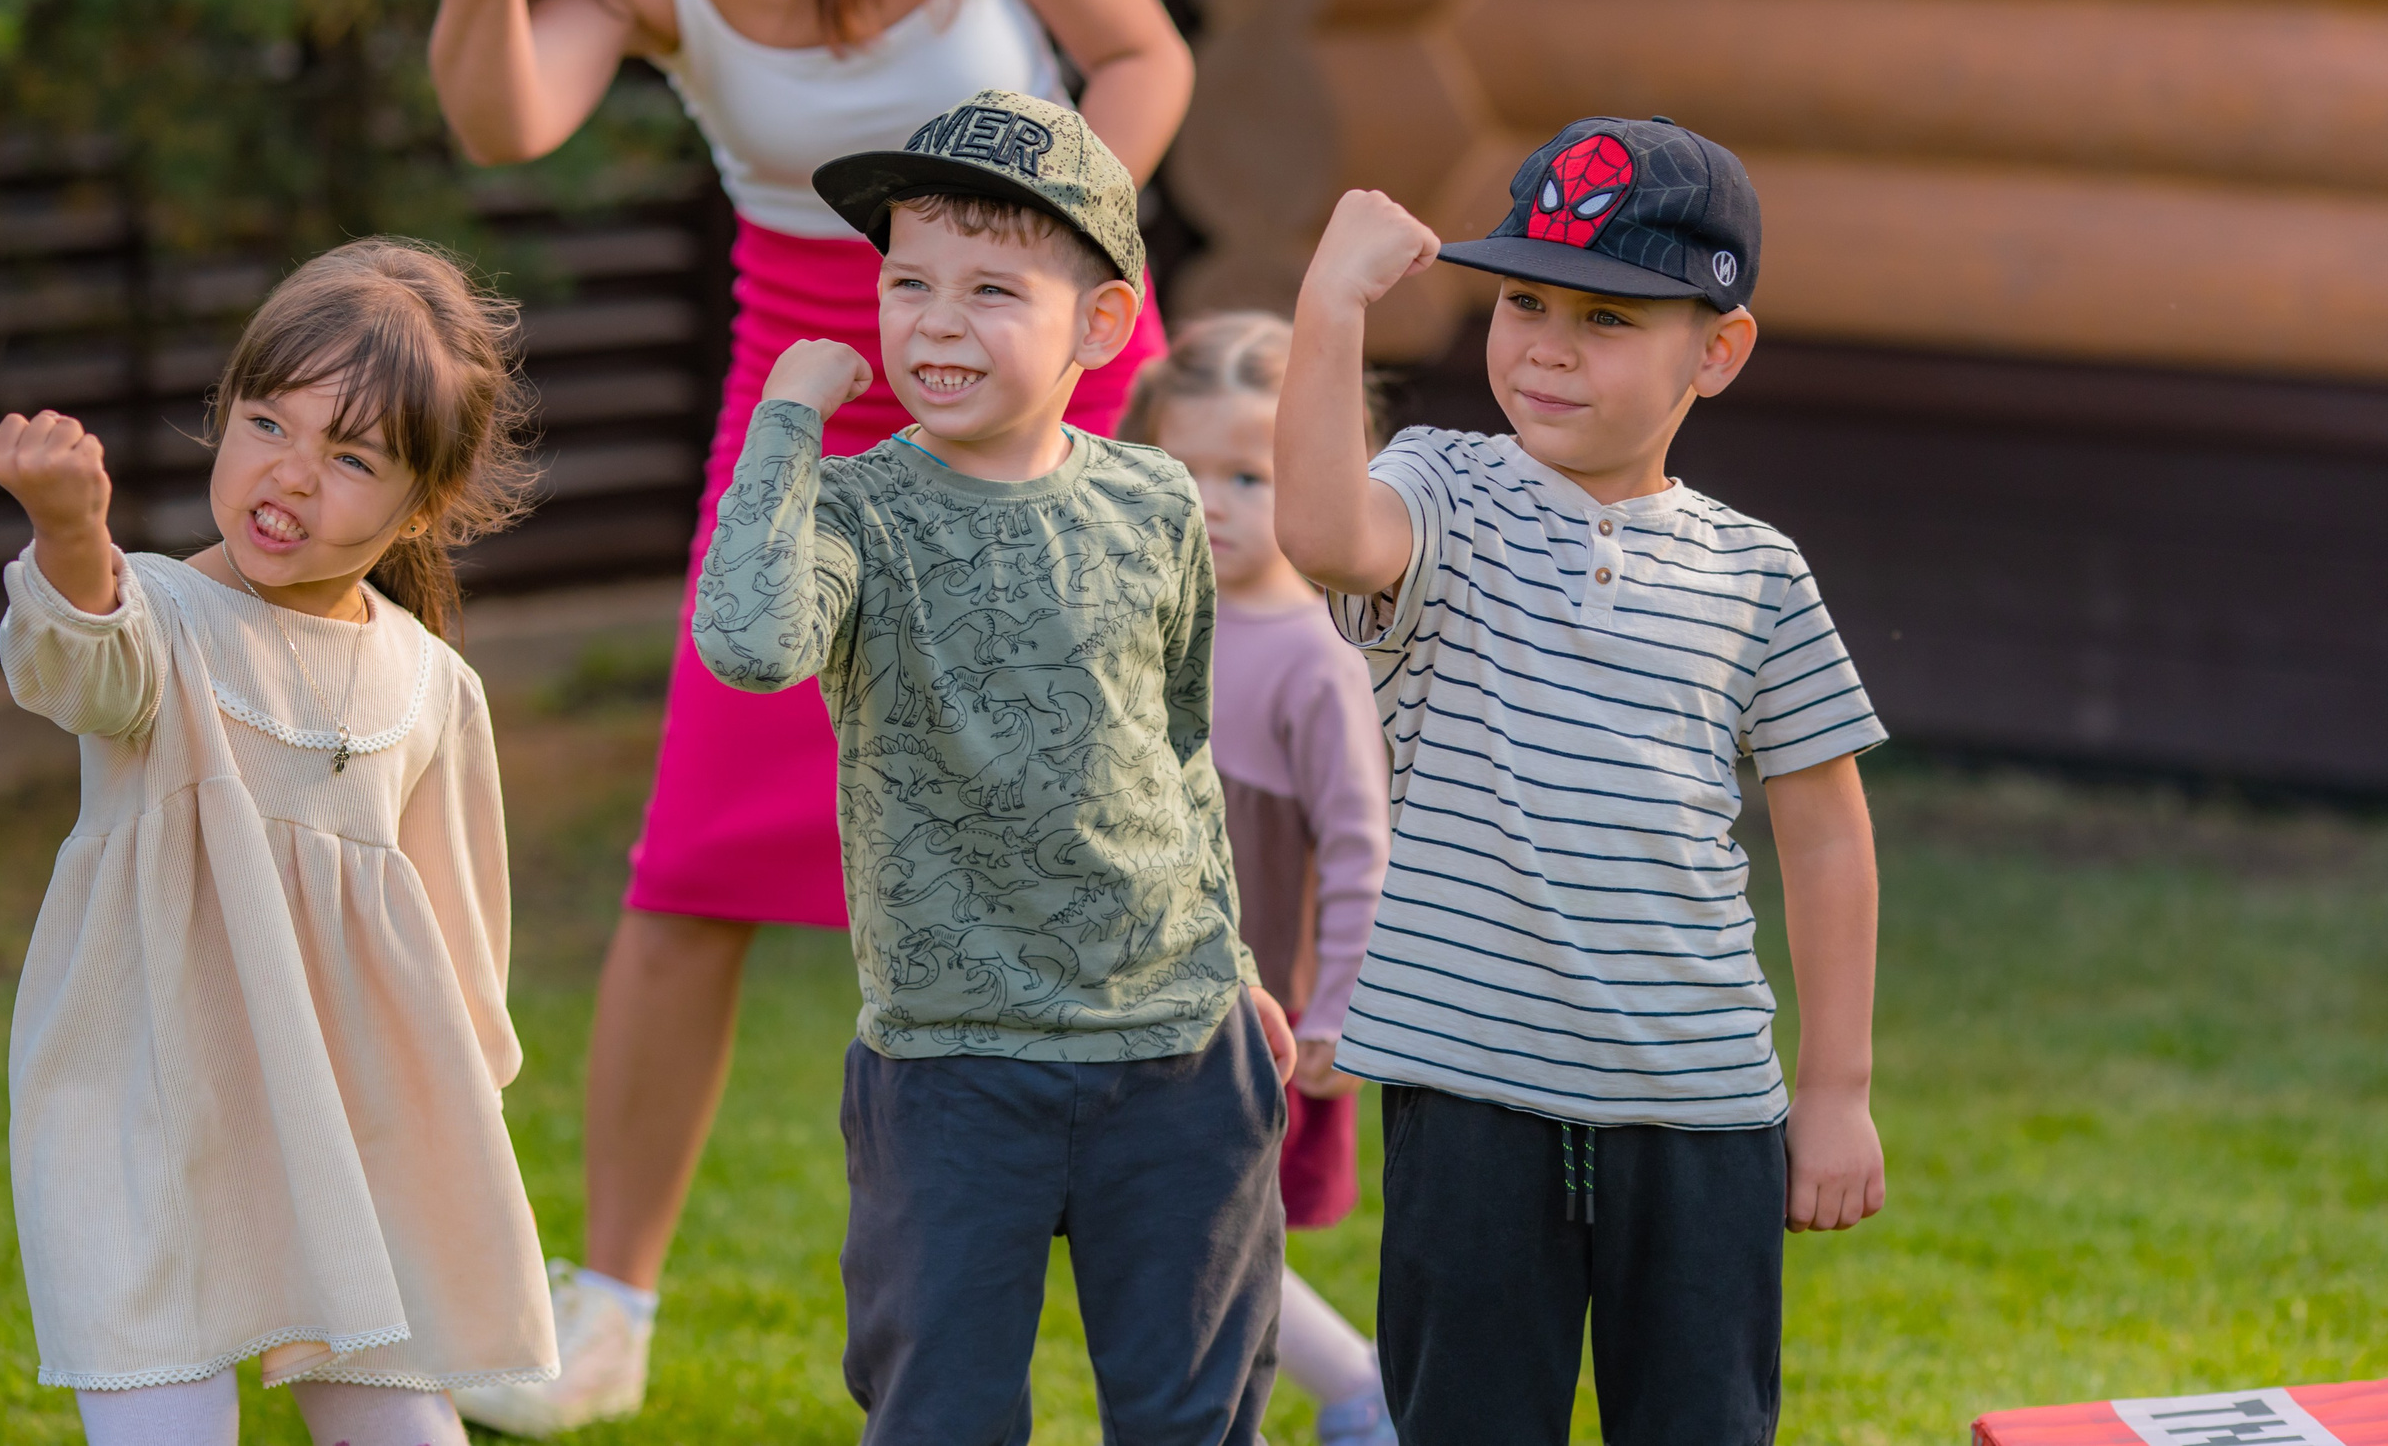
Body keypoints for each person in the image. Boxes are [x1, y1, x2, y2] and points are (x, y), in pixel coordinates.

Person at [430, 0, 1192, 1422]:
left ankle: (1253, 1306)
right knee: (694, 858)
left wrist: (1040, 268)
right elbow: (505, 115)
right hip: (805, 384)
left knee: (1068, 862)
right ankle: (607, 1312)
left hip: (1037, 367)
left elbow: (1142, 56)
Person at [1271, 118, 1890, 1446]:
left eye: (1607, 316)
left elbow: (1828, 832)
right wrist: (1330, 304)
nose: (1546, 344)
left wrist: (1834, 1088)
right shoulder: (1438, 490)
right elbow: (1323, 531)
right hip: (1469, 1090)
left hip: (1701, 1101)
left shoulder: (1757, 571)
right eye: (1523, 300)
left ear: (1715, 350)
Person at [693, 90, 1293, 1443]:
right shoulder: (854, 511)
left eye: (990, 287)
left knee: (1195, 1415)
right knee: (941, 1413)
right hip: (954, 1067)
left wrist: (1238, 970)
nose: (937, 320)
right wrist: (787, 418)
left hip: (1179, 1057)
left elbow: (1176, 754)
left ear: (1097, 322)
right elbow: (746, 640)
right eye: (906, 281)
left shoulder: (1154, 504)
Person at [0, 240, 554, 1446]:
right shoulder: (160, 617)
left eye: (351, 457)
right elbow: (84, 666)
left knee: (404, 1432)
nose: (288, 476)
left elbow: (460, 962)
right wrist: (70, 531)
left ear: (423, 501)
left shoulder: (429, 688)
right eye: (265, 423)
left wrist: (452, 1138)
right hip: (144, 1115)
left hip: (342, 1145)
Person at [1119, 312, 1397, 1446]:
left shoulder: (1316, 658)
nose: (1213, 502)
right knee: (1162, 1225)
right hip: (1126, 992)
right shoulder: (1137, 615)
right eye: (1185, 472)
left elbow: (1359, 849)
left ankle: (1358, 1391)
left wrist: (1337, 1010)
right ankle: (1347, 1391)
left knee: (1198, 1227)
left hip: (1251, 1018)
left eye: (1250, 474)